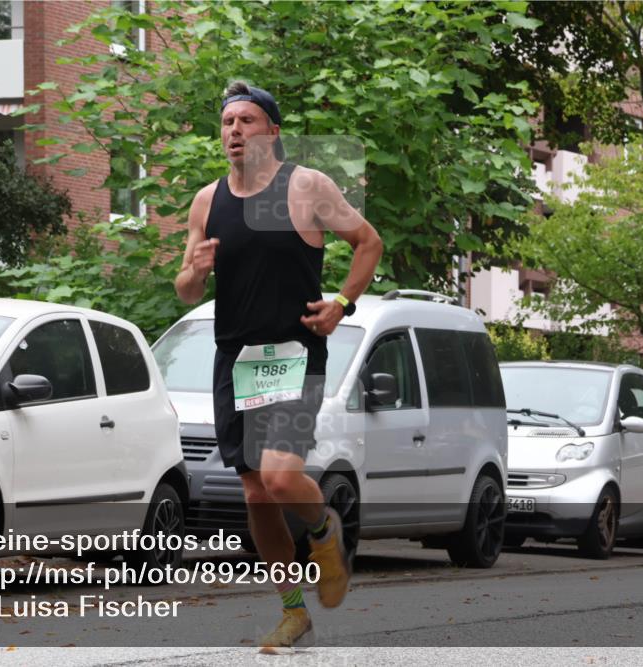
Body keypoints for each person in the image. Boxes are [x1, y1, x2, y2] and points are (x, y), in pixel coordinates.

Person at [175, 81, 383, 653]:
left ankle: (322, 529)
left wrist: (341, 303)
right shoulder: (207, 201)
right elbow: (186, 290)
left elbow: (368, 242)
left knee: (280, 478)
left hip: (295, 355)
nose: (234, 131)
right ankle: (294, 612)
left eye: (246, 120)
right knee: (256, 495)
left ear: (272, 131)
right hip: (236, 360)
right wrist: (194, 271)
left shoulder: (306, 186)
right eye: (227, 122)